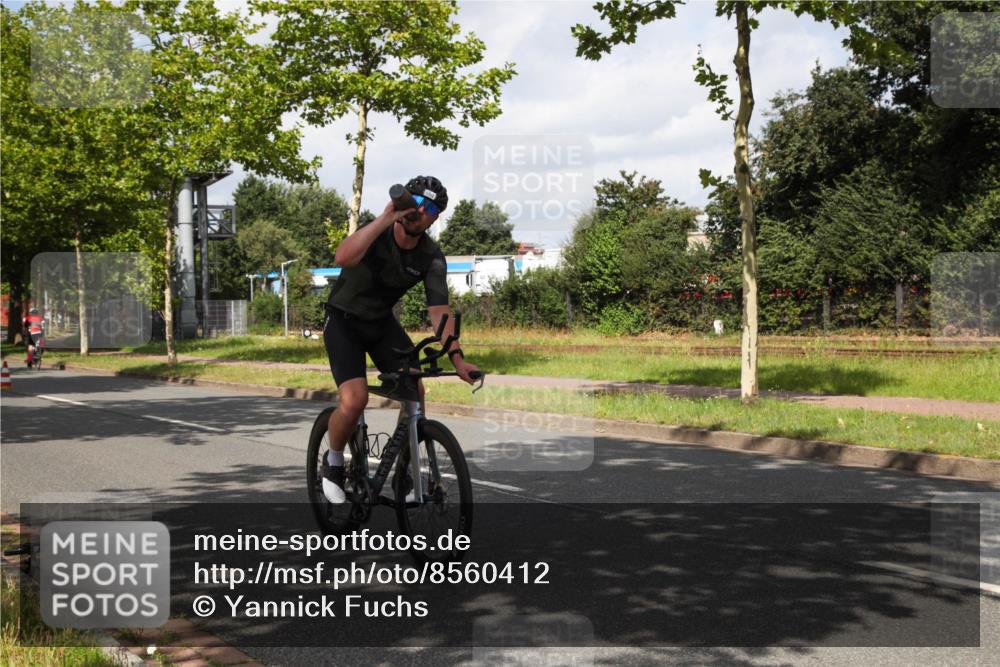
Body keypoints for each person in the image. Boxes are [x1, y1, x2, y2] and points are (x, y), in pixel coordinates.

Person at [321, 176, 480, 503]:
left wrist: (459, 360)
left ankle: (404, 471)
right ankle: (334, 460)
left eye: (429, 209)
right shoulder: (376, 232)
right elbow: (342, 257)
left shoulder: (431, 256)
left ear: (435, 218)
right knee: (355, 400)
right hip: (343, 321)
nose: (419, 211)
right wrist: (384, 218)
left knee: (414, 390)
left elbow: (439, 312)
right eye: (416, 202)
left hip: (380, 324)